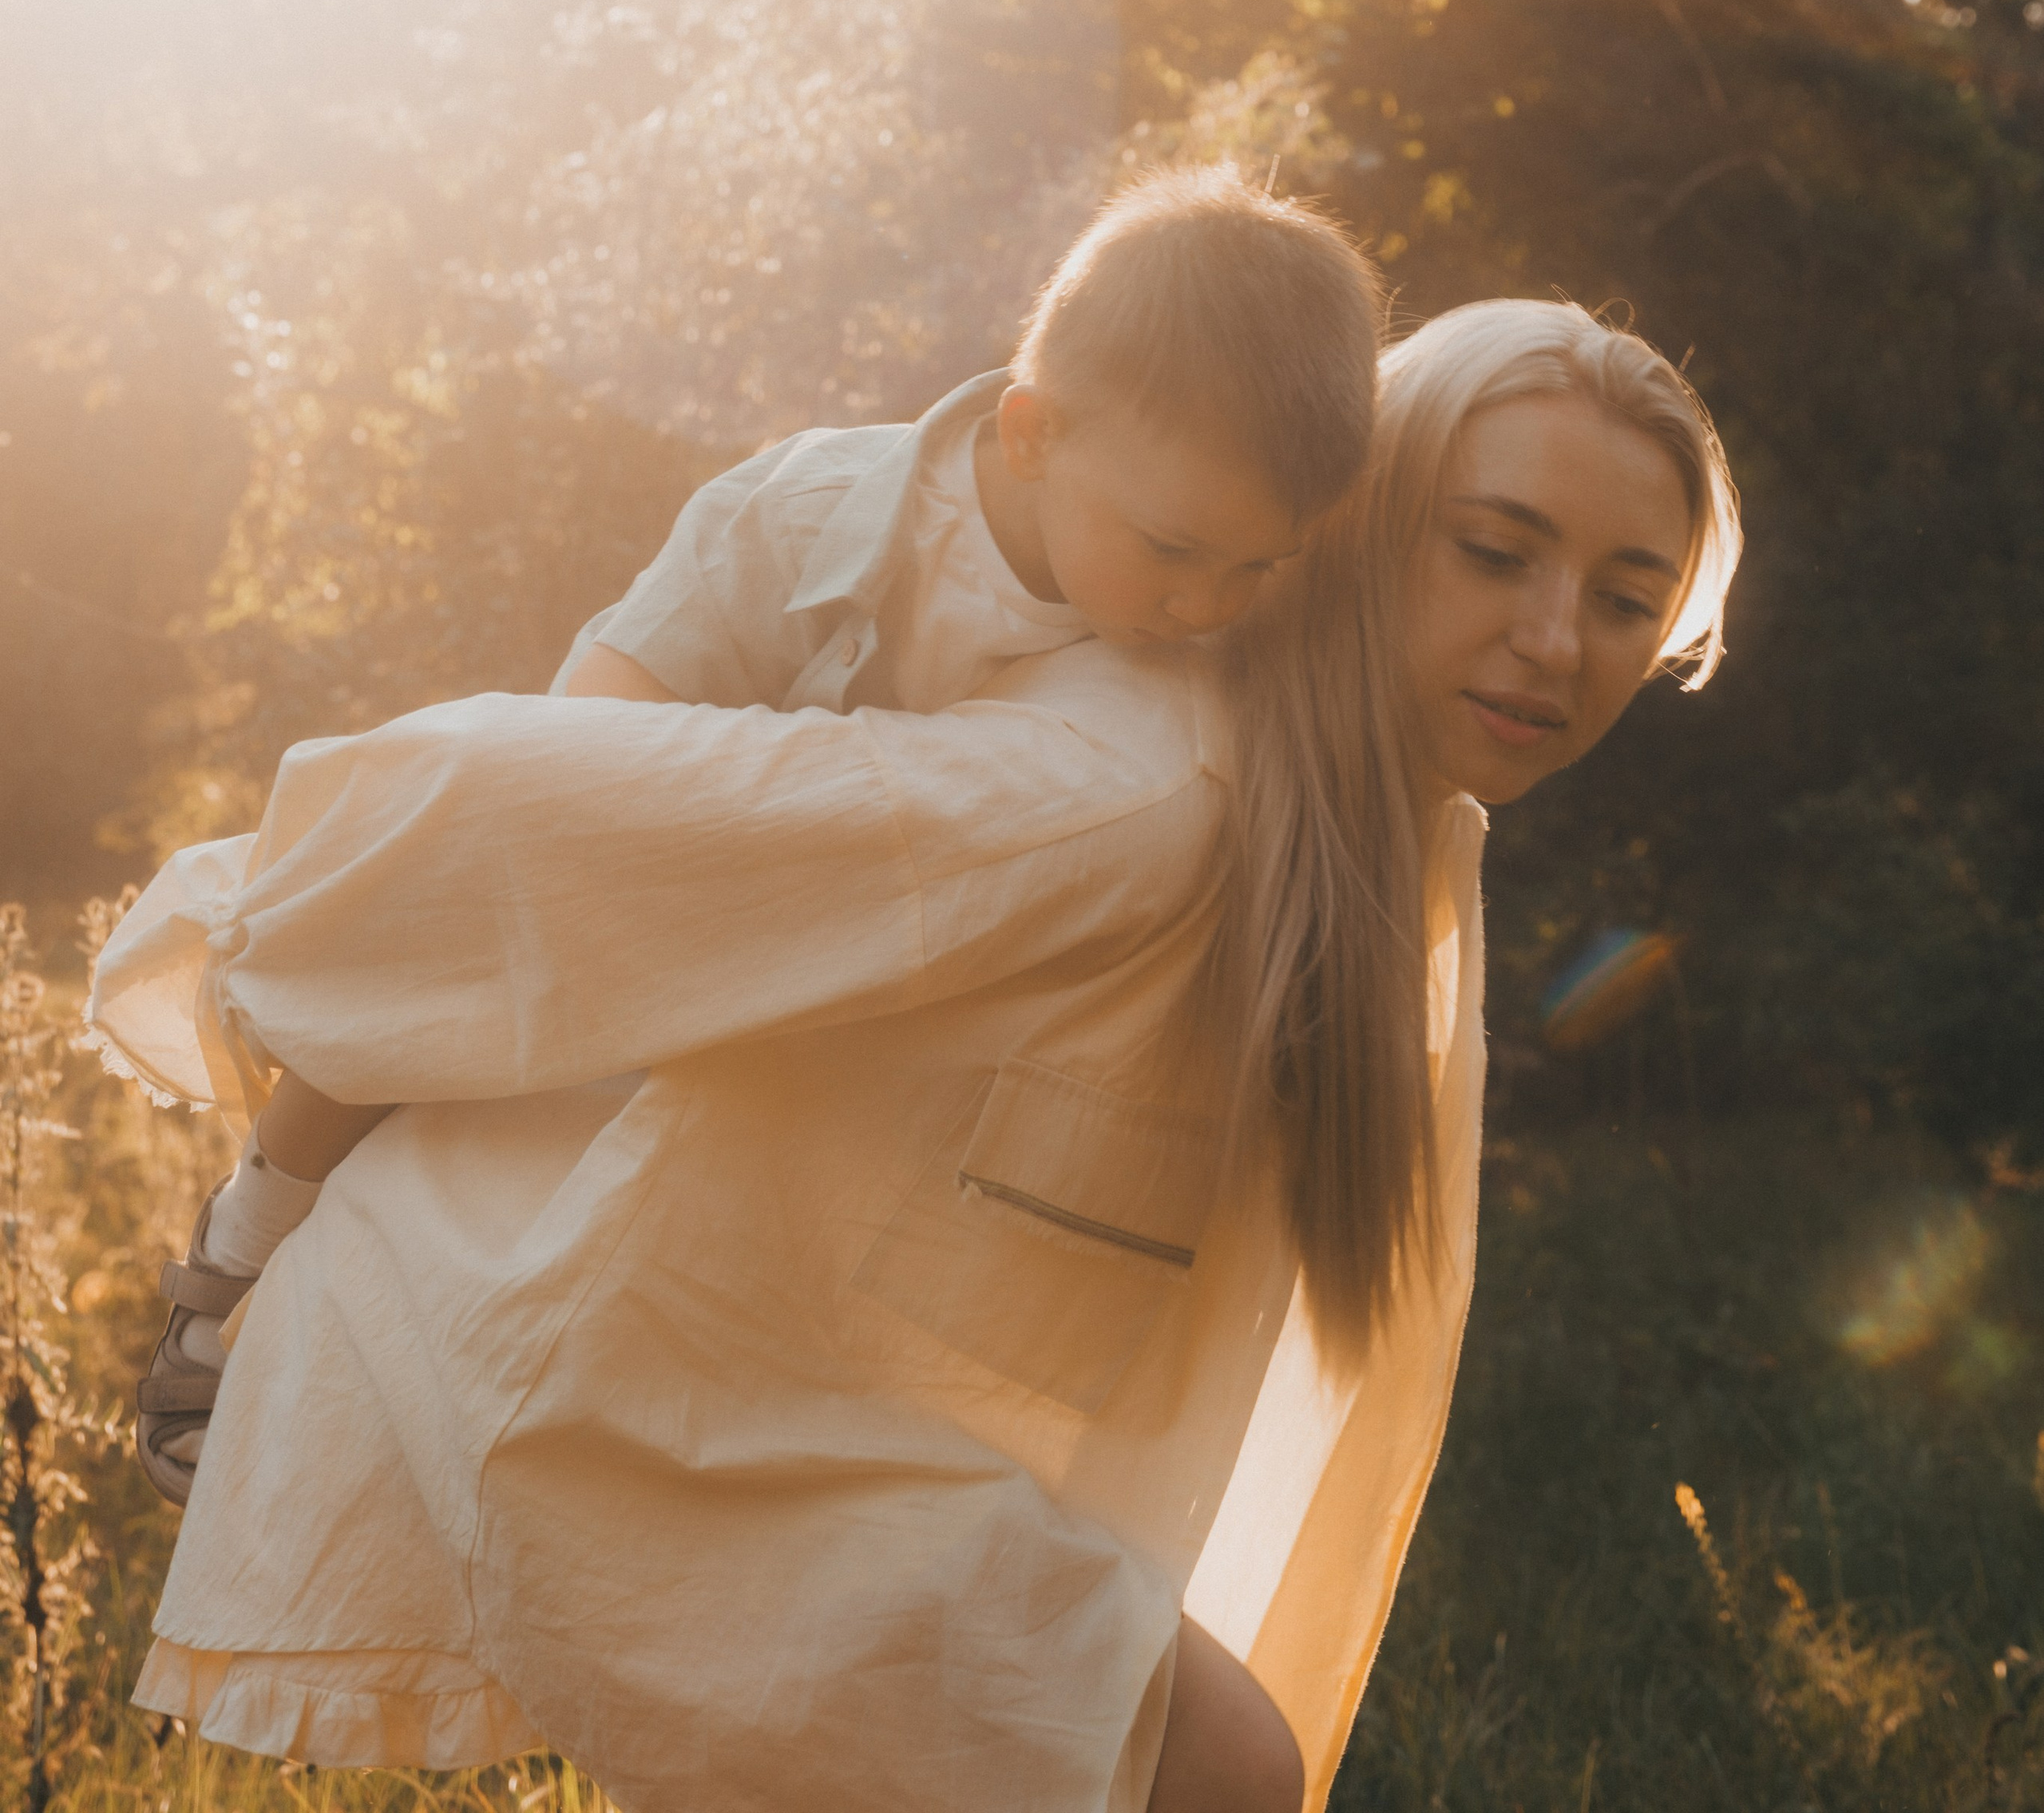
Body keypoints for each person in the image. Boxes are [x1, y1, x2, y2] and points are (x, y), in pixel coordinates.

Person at [90, 293, 1739, 1813]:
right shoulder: (1141, 791)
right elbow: (536, 833)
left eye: (1621, 597)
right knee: (1218, 1775)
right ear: (1353, 530)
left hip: (821, 1414)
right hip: (622, 1383)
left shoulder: (1369, 835)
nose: (1552, 640)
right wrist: (263, 1180)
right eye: (1492, 552)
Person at [134, 165, 1386, 1505]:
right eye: (1178, 552)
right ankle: (255, 1222)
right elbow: (583, 759)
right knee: (471, 919)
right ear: (1031, 435)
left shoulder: (1168, 654)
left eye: (1259, 569)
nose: (1208, 606)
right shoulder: (803, 517)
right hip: (668, 874)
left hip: (853, 988)